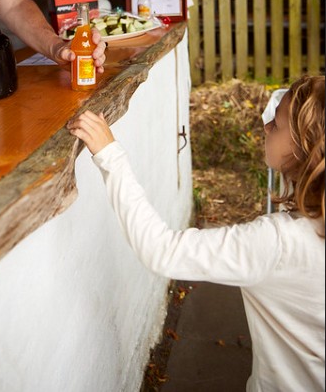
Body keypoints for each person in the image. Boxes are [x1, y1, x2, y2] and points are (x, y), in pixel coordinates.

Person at [67, 75, 325, 392]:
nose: (267, 125)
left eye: (279, 122)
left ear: (306, 148)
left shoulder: (279, 243)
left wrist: (110, 155)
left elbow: (161, 251)